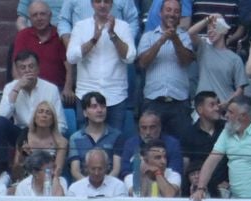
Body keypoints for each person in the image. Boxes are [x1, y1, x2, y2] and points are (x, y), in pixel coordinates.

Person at [66, 0, 137, 131]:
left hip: (115, 96)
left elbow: (130, 57)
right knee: (85, 141)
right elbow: (71, 57)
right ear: (92, 4)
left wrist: (112, 34)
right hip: (86, 95)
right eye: (98, 1)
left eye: (107, 1)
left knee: (115, 140)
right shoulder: (80, 26)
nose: (102, 5)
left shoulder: (123, 27)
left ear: (112, 4)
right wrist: (94, 39)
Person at [0, 49, 66, 169]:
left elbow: (62, 125)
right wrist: (17, 88)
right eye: (22, 68)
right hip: (20, 134)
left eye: (31, 66)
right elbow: (2, 115)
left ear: (38, 69)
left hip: (44, 133)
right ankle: (2, 170)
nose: (27, 70)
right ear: (17, 71)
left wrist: (43, 137)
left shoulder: (51, 89)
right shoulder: (11, 87)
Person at [136, 0, 195, 138]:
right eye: (168, 10)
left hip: (179, 101)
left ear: (180, 15)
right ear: (160, 12)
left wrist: (175, 39)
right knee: (150, 143)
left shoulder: (185, 37)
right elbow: (142, 63)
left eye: (176, 11)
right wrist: (161, 40)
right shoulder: (148, 36)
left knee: (182, 145)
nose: (172, 14)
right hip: (153, 100)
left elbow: (186, 61)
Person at [191, 13, 249, 112]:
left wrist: (228, 103)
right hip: (202, 108)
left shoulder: (235, 59)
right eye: (208, 29)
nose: (210, 31)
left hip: (224, 108)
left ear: (224, 30)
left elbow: (240, 89)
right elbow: (191, 33)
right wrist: (207, 19)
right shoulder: (203, 48)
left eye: (214, 27)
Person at [11, 1, 69, 91]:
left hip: (57, 90)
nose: (39, 18)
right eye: (35, 15)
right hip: (29, 88)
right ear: (30, 18)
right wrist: (20, 87)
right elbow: (16, 67)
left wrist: (68, 88)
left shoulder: (59, 35)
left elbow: (69, 66)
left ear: (50, 15)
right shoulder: (23, 36)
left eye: (42, 14)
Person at [68, 91, 123, 178]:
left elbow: (116, 169)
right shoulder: (75, 138)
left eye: (103, 106)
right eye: (94, 107)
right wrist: (88, 184)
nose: (100, 110)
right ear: (85, 112)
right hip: (83, 183)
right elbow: (75, 171)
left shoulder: (117, 136)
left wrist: (104, 184)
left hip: (109, 183)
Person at [181, 89, 226, 195]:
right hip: (199, 188)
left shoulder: (227, 129)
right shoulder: (189, 133)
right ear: (200, 109)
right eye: (212, 105)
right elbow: (186, 164)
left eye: (217, 104)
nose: (217, 108)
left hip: (225, 187)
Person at [116, 111, 183, 179]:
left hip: (165, 181)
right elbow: (125, 171)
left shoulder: (172, 144)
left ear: (159, 128)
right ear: (139, 129)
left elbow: (175, 171)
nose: (148, 132)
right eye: (144, 128)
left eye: (152, 127)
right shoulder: (130, 144)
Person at [12, 98, 68, 178]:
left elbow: (57, 172)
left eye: (48, 113)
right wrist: (21, 156)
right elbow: (16, 174)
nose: (44, 115)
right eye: (40, 112)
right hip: (26, 180)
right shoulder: (24, 135)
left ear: (53, 120)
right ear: (34, 118)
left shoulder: (61, 142)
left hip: (50, 180)